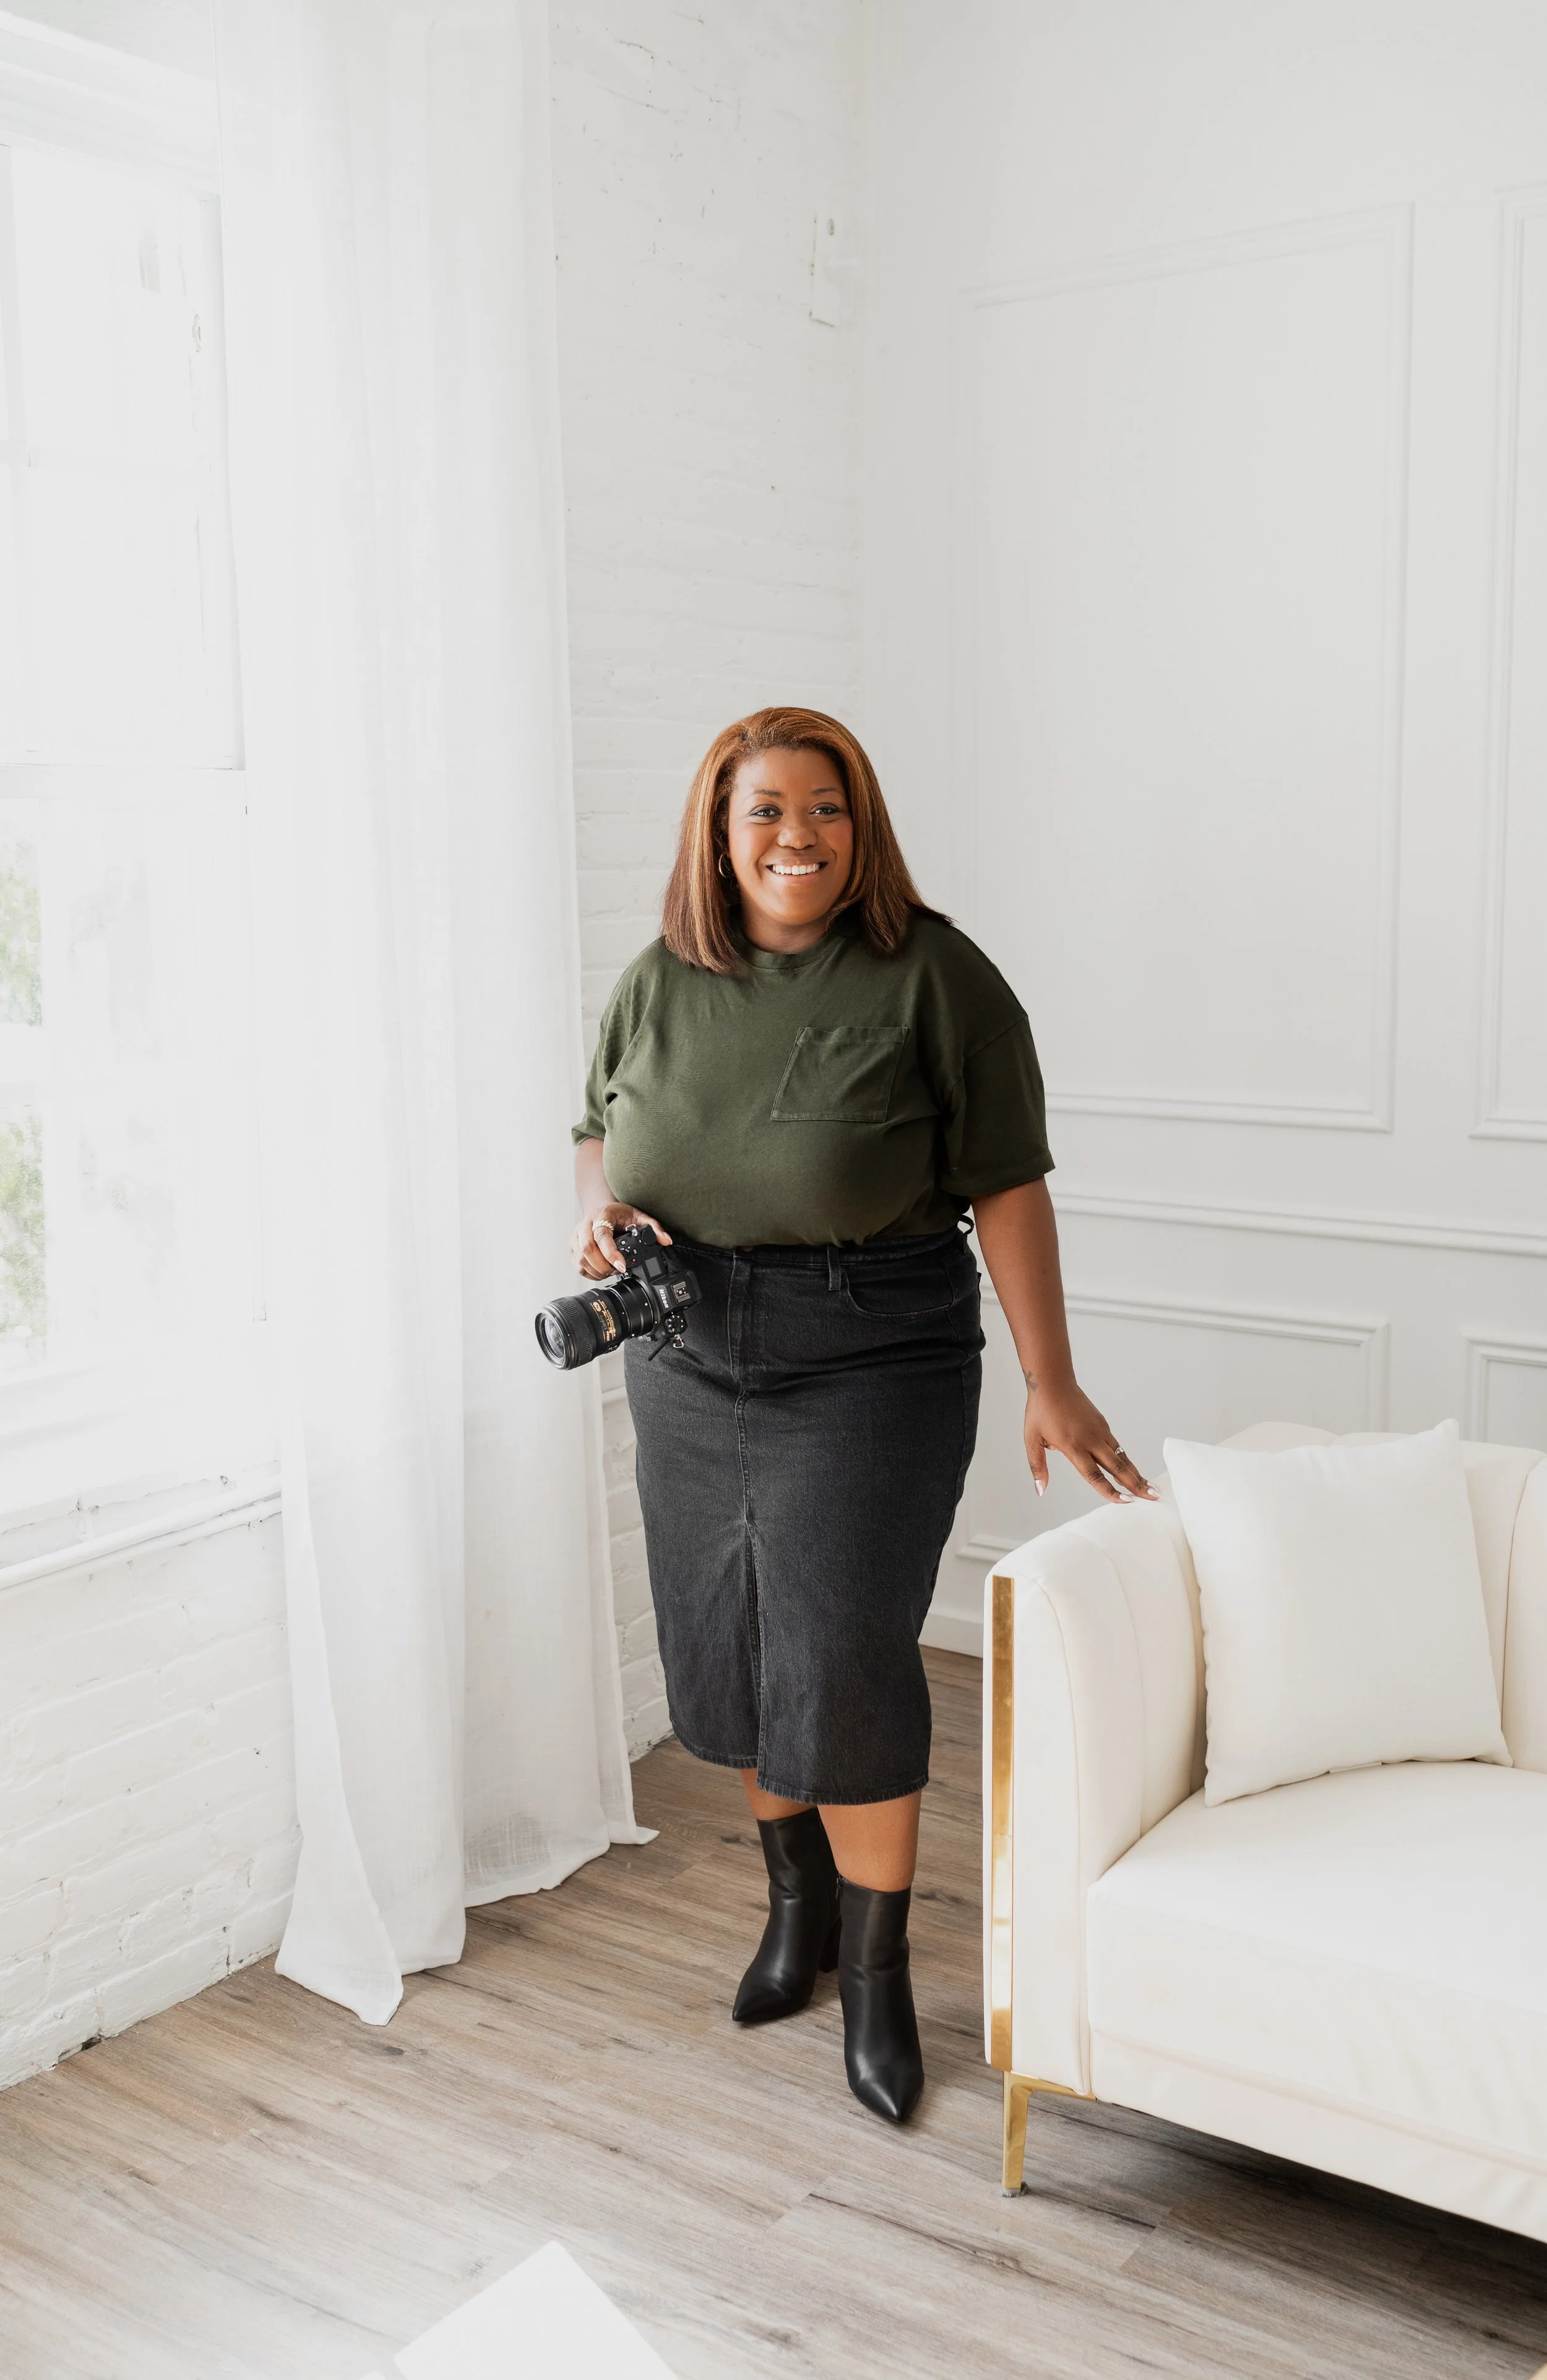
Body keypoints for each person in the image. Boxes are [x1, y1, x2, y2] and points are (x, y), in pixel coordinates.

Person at [570, 706, 1152, 2126]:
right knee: (744, 1643)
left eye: (823, 808)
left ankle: (881, 1977)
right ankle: (798, 1917)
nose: (795, 837)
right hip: (686, 1354)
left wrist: (1047, 1374)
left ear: (862, 823)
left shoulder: (933, 977)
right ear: (718, 831)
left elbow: (1006, 1180)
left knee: (839, 1653)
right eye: (763, 810)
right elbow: (595, 1125)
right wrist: (599, 1218)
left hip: (869, 1355)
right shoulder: (657, 980)